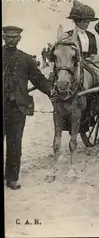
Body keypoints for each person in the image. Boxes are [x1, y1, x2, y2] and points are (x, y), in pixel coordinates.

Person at [3, 26, 52, 190]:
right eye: (8, 37)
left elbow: (38, 78)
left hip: (18, 108)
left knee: (15, 143)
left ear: (19, 39)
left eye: (14, 37)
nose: (11, 40)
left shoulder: (26, 59)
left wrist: (51, 90)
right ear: (3, 37)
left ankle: (11, 178)